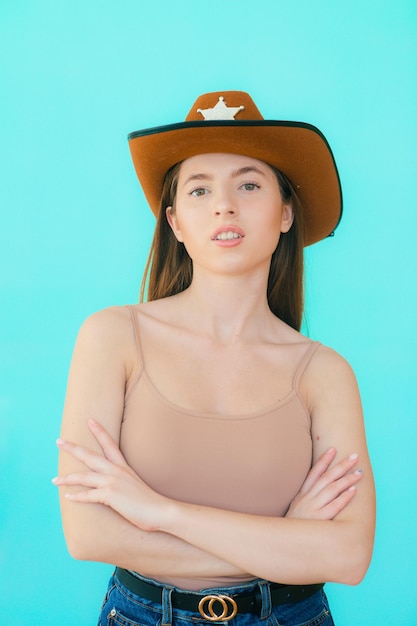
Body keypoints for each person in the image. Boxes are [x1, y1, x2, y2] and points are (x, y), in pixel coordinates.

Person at [54, 91, 375, 626]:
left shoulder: (325, 373)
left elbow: (348, 556)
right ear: (176, 223)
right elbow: (87, 534)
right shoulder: (111, 337)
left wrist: (161, 514)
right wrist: (288, 546)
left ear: (286, 213)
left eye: (249, 184)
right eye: (200, 189)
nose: (224, 205)